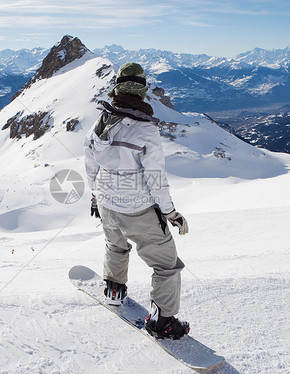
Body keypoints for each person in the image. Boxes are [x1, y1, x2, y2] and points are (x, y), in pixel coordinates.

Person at [84, 62, 190, 340]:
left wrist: (95, 195)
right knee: (166, 265)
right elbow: (156, 178)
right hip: (137, 206)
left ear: (117, 87)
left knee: (115, 245)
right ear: (142, 90)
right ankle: (164, 322)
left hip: (107, 200)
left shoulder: (100, 122)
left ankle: (114, 289)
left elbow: (90, 164)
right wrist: (171, 213)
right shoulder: (146, 130)